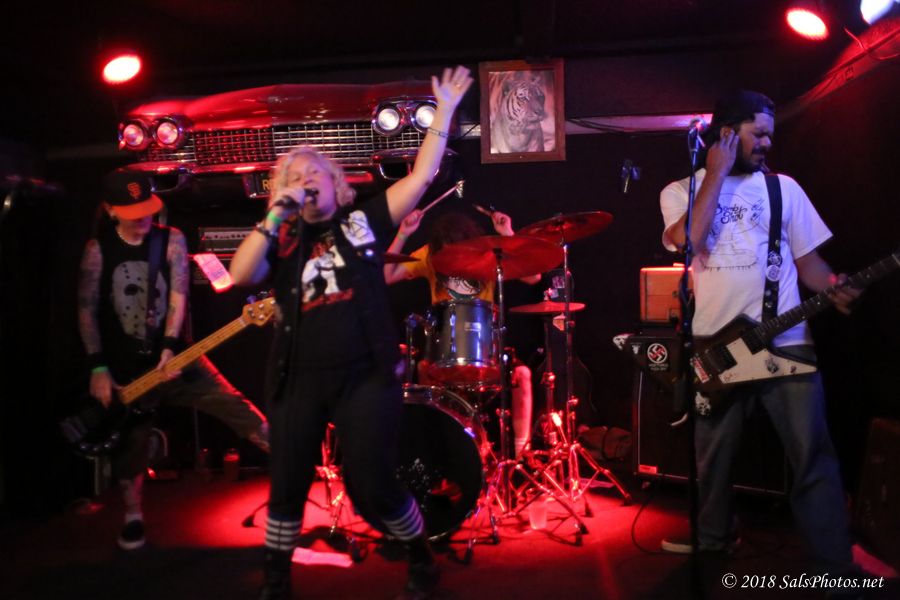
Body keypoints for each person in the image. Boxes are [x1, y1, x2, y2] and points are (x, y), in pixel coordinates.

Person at [228, 65, 473, 600]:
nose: (304, 179)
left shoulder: (359, 223)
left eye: (313, 171)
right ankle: (276, 581)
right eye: (293, 176)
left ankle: (419, 555)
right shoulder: (281, 239)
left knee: (372, 483)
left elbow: (421, 177)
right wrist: (276, 214)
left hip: (365, 375)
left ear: (335, 182)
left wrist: (446, 111)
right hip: (298, 379)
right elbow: (241, 274)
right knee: (287, 483)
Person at [657, 90, 861, 577]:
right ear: (727, 134)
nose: (768, 142)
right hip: (718, 347)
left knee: (812, 457)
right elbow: (688, 242)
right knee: (712, 462)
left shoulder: (784, 188)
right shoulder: (679, 191)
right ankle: (712, 541)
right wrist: (716, 172)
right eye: (759, 133)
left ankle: (836, 569)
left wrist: (832, 285)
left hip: (786, 342)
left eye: (771, 134)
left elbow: (808, 263)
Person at [76, 169, 269, 551]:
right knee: (130, 444)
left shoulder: (171, 240)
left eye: (146, 209)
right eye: (133, 212)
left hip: (179, 358)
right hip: (125, 370)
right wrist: (97, 366)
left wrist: (168, 347)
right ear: (111, 211)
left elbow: (179, 296)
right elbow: (86, 311)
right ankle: (133, 516)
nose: (143, 218)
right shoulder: (98, 250)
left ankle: (297, 469)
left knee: (238, 408)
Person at [384, 208, 538, 457]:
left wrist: (507, 234)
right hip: (444, 352)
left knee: (522, 374)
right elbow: (387, 276)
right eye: (446, 249)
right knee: (424, 369)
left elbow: (533, 277)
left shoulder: (489, 252)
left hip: (485, 351)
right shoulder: (429, 254)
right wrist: (403, 233)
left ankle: (522, 455)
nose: (452, 254)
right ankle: (441, 450)